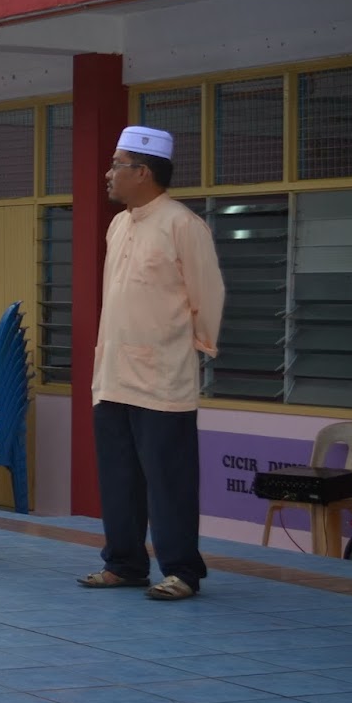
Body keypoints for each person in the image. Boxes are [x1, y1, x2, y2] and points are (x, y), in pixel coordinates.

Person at [79, 126, 225, 601]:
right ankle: (123, 563)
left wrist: (193, 347)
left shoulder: (183, 224)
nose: (108, 174)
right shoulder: (118, 224)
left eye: (116, 165)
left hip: (163, 376)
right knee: (119, 477)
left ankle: (182, 570)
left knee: (169, 481)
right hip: (114, 375)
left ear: (142, 172)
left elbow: (209, 294)